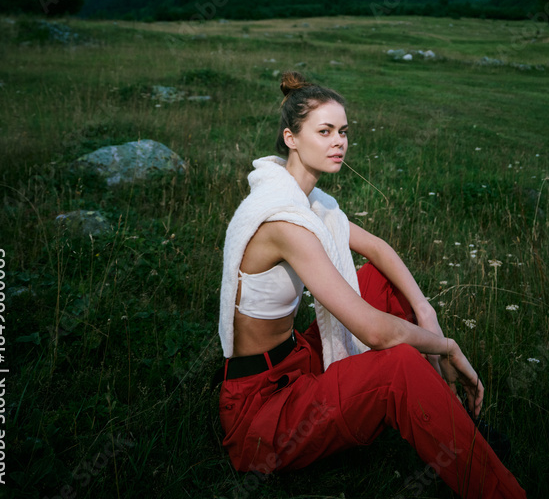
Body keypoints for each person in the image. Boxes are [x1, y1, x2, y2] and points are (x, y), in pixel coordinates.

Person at [217, 71, 527, 499]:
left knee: (381, 282)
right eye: (324, 131)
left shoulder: (308, 203)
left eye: (343, 131)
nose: (338, 141)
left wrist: (426, 311)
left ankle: (452, 418)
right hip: (263, 410)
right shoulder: (283, 220)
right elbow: (376, 333)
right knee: (397, 365)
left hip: (298, 362)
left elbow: (378, 250)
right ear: (291, 138)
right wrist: (448, 347)